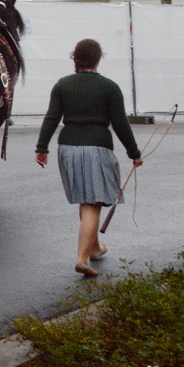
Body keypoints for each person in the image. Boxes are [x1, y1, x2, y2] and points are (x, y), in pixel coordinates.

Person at [34, 38, 142, 277]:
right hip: (97, 147)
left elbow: (51, 118)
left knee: (87, 198)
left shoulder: (63, 85)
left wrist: (42, 148)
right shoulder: (109, 87)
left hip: (68, 147)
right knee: (92, 202)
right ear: (98, 59)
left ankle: (94, 248)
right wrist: (134, 153)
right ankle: (82, 258)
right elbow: (120, 123)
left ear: (76, 59)